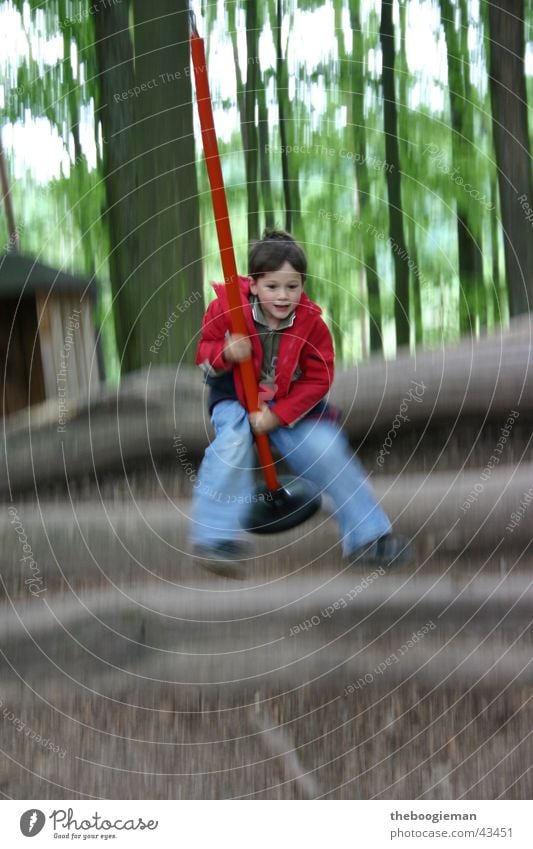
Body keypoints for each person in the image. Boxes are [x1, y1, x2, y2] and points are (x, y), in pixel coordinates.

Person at [189, 229, 410, 569]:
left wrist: (277, 417)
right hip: (235, 396)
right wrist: (226, 352)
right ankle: (215, 538)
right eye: (272, 286)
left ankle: (369, 536)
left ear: (302, 285)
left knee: (326, 448)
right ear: (254, 283)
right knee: (231, 444)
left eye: (292, 286)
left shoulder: (311, 324)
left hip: (289, 404)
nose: (282, 296)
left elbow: (319, 378)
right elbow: (203, 355)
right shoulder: (227, 309)